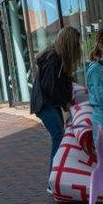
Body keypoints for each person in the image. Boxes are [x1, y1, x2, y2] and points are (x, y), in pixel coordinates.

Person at [30, 26, 81, 171]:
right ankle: (54, 179)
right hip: (45, 104)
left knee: (59, 135)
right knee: (58, 135)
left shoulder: (55, 57)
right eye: (76, 43)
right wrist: (66, 101)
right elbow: (51, 87)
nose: (78, 46)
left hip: (47, 103)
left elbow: (54, 85)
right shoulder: (54, 58)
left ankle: (56, 176)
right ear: (69, 43)